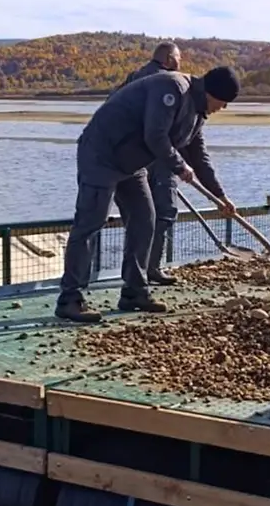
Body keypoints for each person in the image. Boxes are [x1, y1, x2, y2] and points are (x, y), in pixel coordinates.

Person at [55, 66, 240, 323]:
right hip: (102, 155)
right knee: (90, 222)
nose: (224, 108)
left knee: (145, 219)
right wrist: (179, 166)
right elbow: (155, 136)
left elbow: (199, 157)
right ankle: (70, 299)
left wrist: (220, 196)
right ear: (212, 92)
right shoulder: (172, 89)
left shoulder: (197, 114)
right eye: (224, 102)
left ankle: (134, 292)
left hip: (131, 163)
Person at [114, 42, 183, 285]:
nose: (181, 62)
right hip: (159, 156)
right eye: (179, 57)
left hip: (129, 157)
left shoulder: (133, 78)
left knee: (138, 216)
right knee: (164, 212)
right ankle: (151, 267)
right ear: (169, 59)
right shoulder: (171, 82)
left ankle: (134, 272)